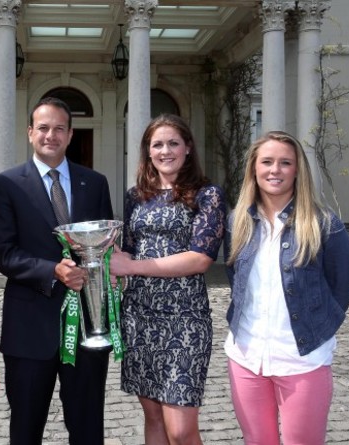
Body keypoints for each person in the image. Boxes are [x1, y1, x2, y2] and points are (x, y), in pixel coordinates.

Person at [0, 96, 114, 445]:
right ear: (30, 133)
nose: (51, 135)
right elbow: (1, 252)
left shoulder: (95, 183)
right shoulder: (7, 184)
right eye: (43, 128)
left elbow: (104, 251)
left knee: (88, 429)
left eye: (59, 128)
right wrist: (51, 271)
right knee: (25, 431)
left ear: (71, 135)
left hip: (88, 327)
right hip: (29, 329)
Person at [223, 131, 349, 445]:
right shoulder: (237, 222)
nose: (275, 170)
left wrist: (318, 330)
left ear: (297, 170)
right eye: (267, 162)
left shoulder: (324, 225)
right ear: (254, 168)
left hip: (303, 360)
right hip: (246, 357)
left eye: (285, 163)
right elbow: (236, 281)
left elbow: (342, 289)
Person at [109, 114, 226, 445]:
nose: (165, 151)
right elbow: (129, 250)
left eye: (173, 143)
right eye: (157, 144)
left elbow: (200, 258)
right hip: (139, 317)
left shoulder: (207, 194)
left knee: (181, 430)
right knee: (154, 418)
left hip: (185, 320)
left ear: (188, 148)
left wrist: (131, 267)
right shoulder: (136, 196)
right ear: (148, 151)